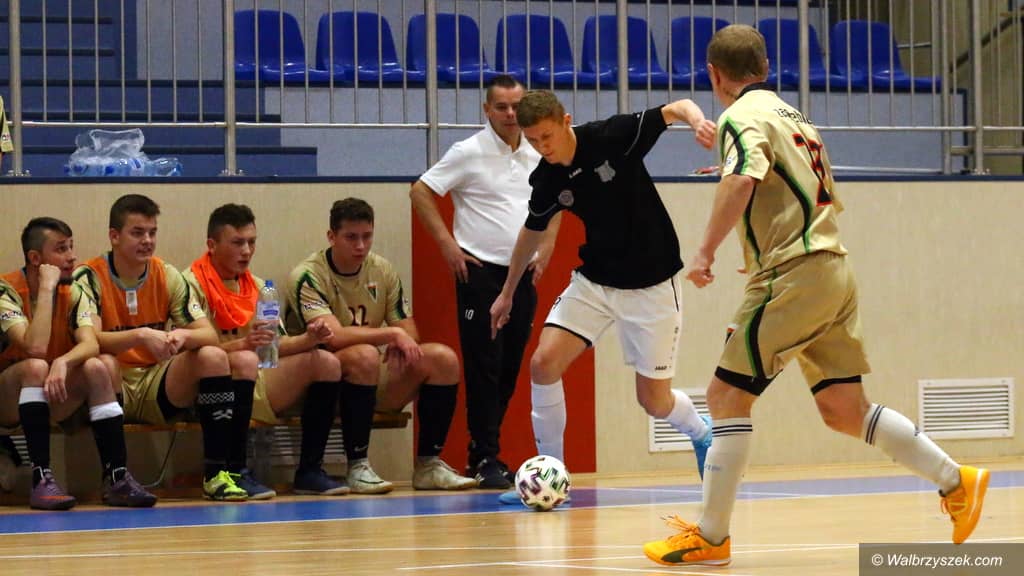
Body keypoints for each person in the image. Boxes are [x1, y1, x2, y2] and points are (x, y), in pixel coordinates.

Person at [642, 25, 989, 567]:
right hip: (831, 269)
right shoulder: (796, 117)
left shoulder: (740, 116)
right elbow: (795, 191)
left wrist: (705, 251)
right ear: (764, 67)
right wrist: (763, 240)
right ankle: (956, 479)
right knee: (844, 409)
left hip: (795, 273)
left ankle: (711, 537)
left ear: (713, 74)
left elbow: (742, 179)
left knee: (726, 398)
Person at [489, 91, 717, 498]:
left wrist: (698, 122)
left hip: (651, 285)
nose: (542, 147)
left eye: (547, 136)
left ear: (566, 121)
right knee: (543, 364)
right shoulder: (548, 178)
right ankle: (552, 475)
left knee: (654, 401)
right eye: (533, 141)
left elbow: (676, 107)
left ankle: (701, 432)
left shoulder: (612, 136)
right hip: (595, 282)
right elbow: (531, 232)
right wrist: (507, 292)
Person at [410, 74, 561, 489]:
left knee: (510, 365)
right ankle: (484, 456)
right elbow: (421, 192)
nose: (511, 114)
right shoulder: (468, 151)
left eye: (516, 106)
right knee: (484, 365)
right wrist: (448, 246)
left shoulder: (537, 149)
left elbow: (558, 195)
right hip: (480, 273)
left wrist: (548, 244)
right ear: (487, 110)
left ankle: (487, 451)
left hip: (522, 273)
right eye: (502, 107)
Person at [74, 193, 263, 501]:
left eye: (152, 232)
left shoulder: (166, 273)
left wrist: (183, 337)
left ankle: (216, 474)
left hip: (156, 383)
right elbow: (90, 340)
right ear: (114, 236)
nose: (147, 241)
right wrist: (140, 335)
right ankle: (115, 478)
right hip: (111, 383)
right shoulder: (89, 275)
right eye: (137, 233)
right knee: (102, 363)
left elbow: (208, 334)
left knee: (212, 356)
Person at [285, 198, 477, 492]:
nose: (360, 246)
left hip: (368, 375)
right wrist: (389, 336)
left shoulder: (382, 270)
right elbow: (332, 337)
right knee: (363, 356)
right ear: (331, 236)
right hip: (320, 384)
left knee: (443, 358)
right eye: (351, 237)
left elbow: (408, 330)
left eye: (367, 236)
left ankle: (428, 465)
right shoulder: (308, 275)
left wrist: (400, 342)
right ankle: (357, 466)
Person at [182, 203, 348, 495]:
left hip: (255, 375)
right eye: (237, 243)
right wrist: (243, 345)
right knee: (244, 359)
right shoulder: (190, 283)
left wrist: (308, 339)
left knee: (326, 362)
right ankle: (235, 470)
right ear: (212, 245)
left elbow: (272, 347)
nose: (246, 251)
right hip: (210, 384)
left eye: (251, 242)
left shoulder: (259, 287)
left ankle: (310, 471)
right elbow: (187, 351)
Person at [0, 217, 157, 510]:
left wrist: (63, 361)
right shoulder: (6, 290)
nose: (72, 256)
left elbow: (91, 343)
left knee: (98, 366)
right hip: (7, 400)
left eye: (71, 247)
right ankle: (41, 480)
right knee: (36, 366)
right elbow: (35, 347)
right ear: (35, 259)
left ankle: (116, 478)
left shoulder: (72, 290)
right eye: (61, 249)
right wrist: (45, 289)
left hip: (49, 393)